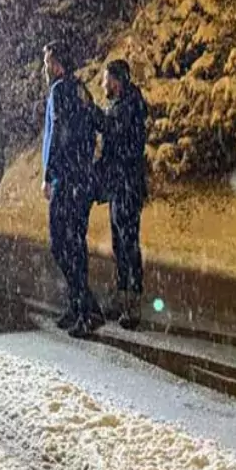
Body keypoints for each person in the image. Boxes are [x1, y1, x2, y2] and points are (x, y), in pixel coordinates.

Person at [41, 42, 103, 337]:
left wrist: (49, 175)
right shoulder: (80, 89)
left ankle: (85, 310)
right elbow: (94, 124)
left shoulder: (59, 91)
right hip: (81, 177)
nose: (45, 67)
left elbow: (58, 135)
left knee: (62, 244)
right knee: (74, 242)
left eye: (47, 62)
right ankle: (81, 305)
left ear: (57, 64)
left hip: (67, 180)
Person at [96, 59, 148, 330]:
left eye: (106, 80)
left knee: (128, 243)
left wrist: (95, 115)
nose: (103, 84)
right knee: (120, 243)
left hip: (128, 185)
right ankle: (122, 294)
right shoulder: (120, 106)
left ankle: (132, 301)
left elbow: (118, 137)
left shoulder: (129, 107)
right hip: (119, 185)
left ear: (116, 81)